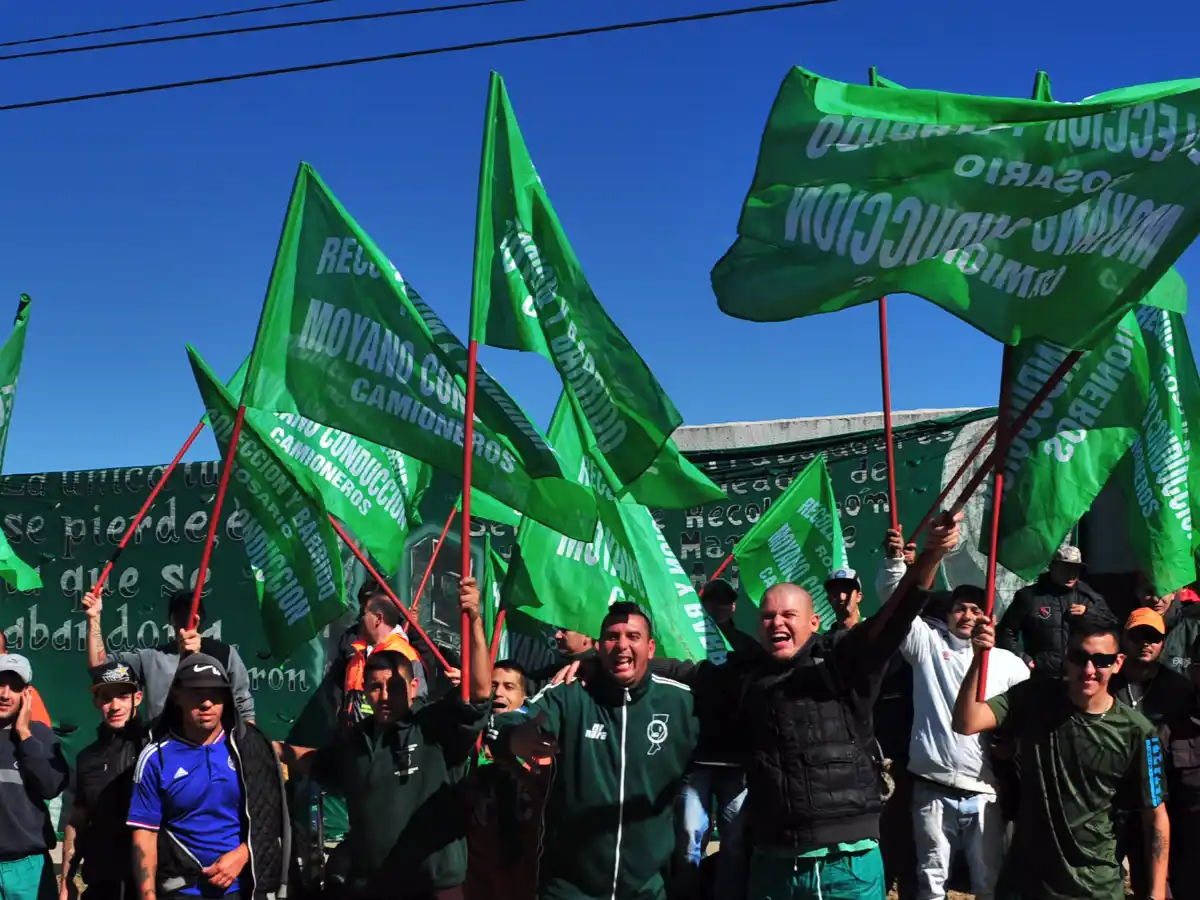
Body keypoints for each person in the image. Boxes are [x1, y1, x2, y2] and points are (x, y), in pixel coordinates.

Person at [594, 512, 959, 900]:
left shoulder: (846, 662)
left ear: (814, 622)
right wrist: (596, 661)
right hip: (771, 864)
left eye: (788, 615)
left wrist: (929, 558)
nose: (776, 623)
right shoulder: (743, 676)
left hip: (846, 866)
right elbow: (685, 671)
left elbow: (896, 616)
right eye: (767, 616)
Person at [275, 578, 492, 900]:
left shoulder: (434, 725)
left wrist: (474, 620)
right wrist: (272, 749)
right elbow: (319, 762)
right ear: (365, 691)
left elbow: (480, 693)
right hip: (373, 886)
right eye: (376, 687)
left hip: (435, 888)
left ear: (414, 686)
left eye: (394, 686)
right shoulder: (357, 741)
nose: (385, 695)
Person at [491, 601, 699, 900]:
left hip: (648, 890)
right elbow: (508, 721)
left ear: (651, 649)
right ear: (599, 647)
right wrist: (514, 737)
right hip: (568, 888)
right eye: (613, 637)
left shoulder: (680, 703)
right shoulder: (571, 693)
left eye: (633, 636)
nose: (622, 645)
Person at [953, 617, 1170, 900]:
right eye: (1080, 657)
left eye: (1101, 660)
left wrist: (1155, 895)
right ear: (1067, 659)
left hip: (1094, 887)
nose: (1089, 670)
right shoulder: (1033, 697)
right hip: (1025, 884)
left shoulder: (1139, 732)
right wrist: (980, 658)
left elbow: (1155, 817)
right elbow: (966, 722)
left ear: (1117, 663)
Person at [901, 584, 1029, 900]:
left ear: (990, 618)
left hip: (986, 793)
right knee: (931, 885)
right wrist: (898, 565)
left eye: (976, 609)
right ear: (948, 614)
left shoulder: (1010, 664)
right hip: (933, 787)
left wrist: (1010, 746)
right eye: (960, 608)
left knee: (989, 885)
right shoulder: (927, 646)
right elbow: (900, 606)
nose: (968, 616)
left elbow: (1027, 716)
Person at [127, 653, 287, 900]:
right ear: (177, 696)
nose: (206, 703)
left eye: (215, 694)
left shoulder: (250, 749)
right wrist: (147, 896)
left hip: (244, 889)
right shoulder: (154, 757)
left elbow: (271, 818)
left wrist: (244, 853)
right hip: (181, 890)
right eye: (196, 693)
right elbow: (145, 833)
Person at [674, 578, 756, 900]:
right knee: (689, 839)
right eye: (712, 601)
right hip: (695, 759)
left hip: (735, 763)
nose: (718, 607)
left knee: (734, 843)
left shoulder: (747, 647)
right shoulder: (684, 642)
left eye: (725, 601)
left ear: (733, 605)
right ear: (702, 604)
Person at [1108, 608, 1193, 898]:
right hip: (1110, 799)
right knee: (1103, 879)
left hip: (1159, 802)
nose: (1145, 643)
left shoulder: (1179, 688)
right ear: (1124, 639)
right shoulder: (1107, 682)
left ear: (1163, 643)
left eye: (1153, 637)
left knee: (1153, 884)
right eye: (1137, 636)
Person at [83, 587, 255, 724]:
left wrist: (249, 748)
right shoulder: (151, 658)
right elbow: (100, 670)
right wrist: (94, 618)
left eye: (191, 611)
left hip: (212, 752)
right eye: (179, 612)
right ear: (170, 619)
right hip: (164, 752)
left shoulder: (224, 654)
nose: (186, 617)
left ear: (200, 617)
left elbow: (243, 707)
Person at [61, 662, 150, 900]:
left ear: (138, 698)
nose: (115, 706)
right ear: (96, 702)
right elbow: (77, 821)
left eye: (123, 696)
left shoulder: (153, 748)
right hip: (101, 883)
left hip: (146, 885)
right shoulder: (86, 758)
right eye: (107, 698)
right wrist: (66, 881)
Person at [464, 660, 547, 900]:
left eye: (509, 687)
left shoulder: (535, 737)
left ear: (524, 697)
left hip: (519, 858)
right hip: (475, 859)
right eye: (493, 685)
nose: (498, 693)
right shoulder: (471, 732)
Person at [0, 653, 69, 900]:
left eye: (15, 686)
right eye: (0, 683)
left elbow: (52, 786)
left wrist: (24, 734)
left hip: (28, 869)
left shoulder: (40, 735)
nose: (5, 694)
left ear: (26, 694)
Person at [996, 544, 1115, 678]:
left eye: (1075, 569)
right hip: (1042, 677)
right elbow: (1005, 632)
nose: (1071, 574)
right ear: (1052, 567)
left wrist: (1089, 613)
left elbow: (1112, 625)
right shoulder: (1030, 597)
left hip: (1080, 677)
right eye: (1066, 568)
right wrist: (1022, 658)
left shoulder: (1088, 597)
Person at [341, 589, 426, 725]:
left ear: (378, 619)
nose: (359, 620)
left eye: (363, 614)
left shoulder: (405, 654)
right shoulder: (356, 653)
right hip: (356, 741)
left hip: (387, 741)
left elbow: (418, 702)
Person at [0, 634, 51, 729]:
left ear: (4, 655)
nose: (5, 695)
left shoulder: (25, 694)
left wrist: (23, 731)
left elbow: (43, 737)